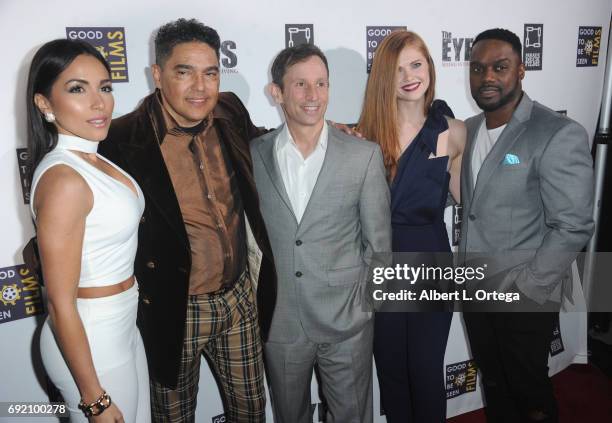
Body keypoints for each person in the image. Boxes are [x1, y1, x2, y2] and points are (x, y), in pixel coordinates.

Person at [98, 19, 277, 422]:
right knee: (174, 416)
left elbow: (268, 143)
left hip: (238, 300)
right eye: (185, 72)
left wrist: (323, 132)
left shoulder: (230, 111)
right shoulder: (121, 142)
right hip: (174, 309)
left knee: (252, 410)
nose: (201, 87)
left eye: (210, 73)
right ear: (158, 75)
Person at [250, 43, 391, 423]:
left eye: (321, 84)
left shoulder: (362, 155)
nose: (313, 96)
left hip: (347, 320)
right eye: (300, 85)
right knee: (289, 415)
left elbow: (379, 244)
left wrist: (364, 307)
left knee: (351, 416)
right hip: (281, 319)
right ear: (276, 92)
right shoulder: (252, 154)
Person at [460, 28, 594, 423]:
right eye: (478, 68)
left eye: (499, 67)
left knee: (529, 390)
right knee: (495, 385)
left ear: (520, 70)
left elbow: (572, 224)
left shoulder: (555, 132)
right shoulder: (466, 130)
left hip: (524, 293)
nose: (487, 77)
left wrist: (529, 287)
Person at [27, 39, 149, 422]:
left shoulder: (93, 159)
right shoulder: (64, 178)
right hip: (90, 339)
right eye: (78, 88)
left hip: (122, 326)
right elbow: (60, 303)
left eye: (105, 87)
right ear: (45, 104)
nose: (100, 102)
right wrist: (93, 397)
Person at [357, 30, 466, 423]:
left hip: (430, 262)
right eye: (398, 68)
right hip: (380, 263)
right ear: (385, 77)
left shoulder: (454, 132)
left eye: (416, 64)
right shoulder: (365, 134)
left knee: (424, 369)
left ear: (430, 67)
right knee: (390, 370)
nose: (409, 76)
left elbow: (468, 203)